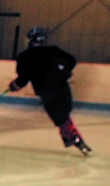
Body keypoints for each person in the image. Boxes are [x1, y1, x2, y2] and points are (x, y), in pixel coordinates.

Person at [10, 27, 90, 155]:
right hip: (63, 87)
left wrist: (14, 86)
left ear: (29, 40)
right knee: (64, 114)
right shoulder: (54, 50)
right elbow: (72, 60)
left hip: (47, 92)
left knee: (61, 118)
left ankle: (76, 140)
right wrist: (63, 71)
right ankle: (69, 138)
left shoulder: (25, 57)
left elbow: (23, 79)